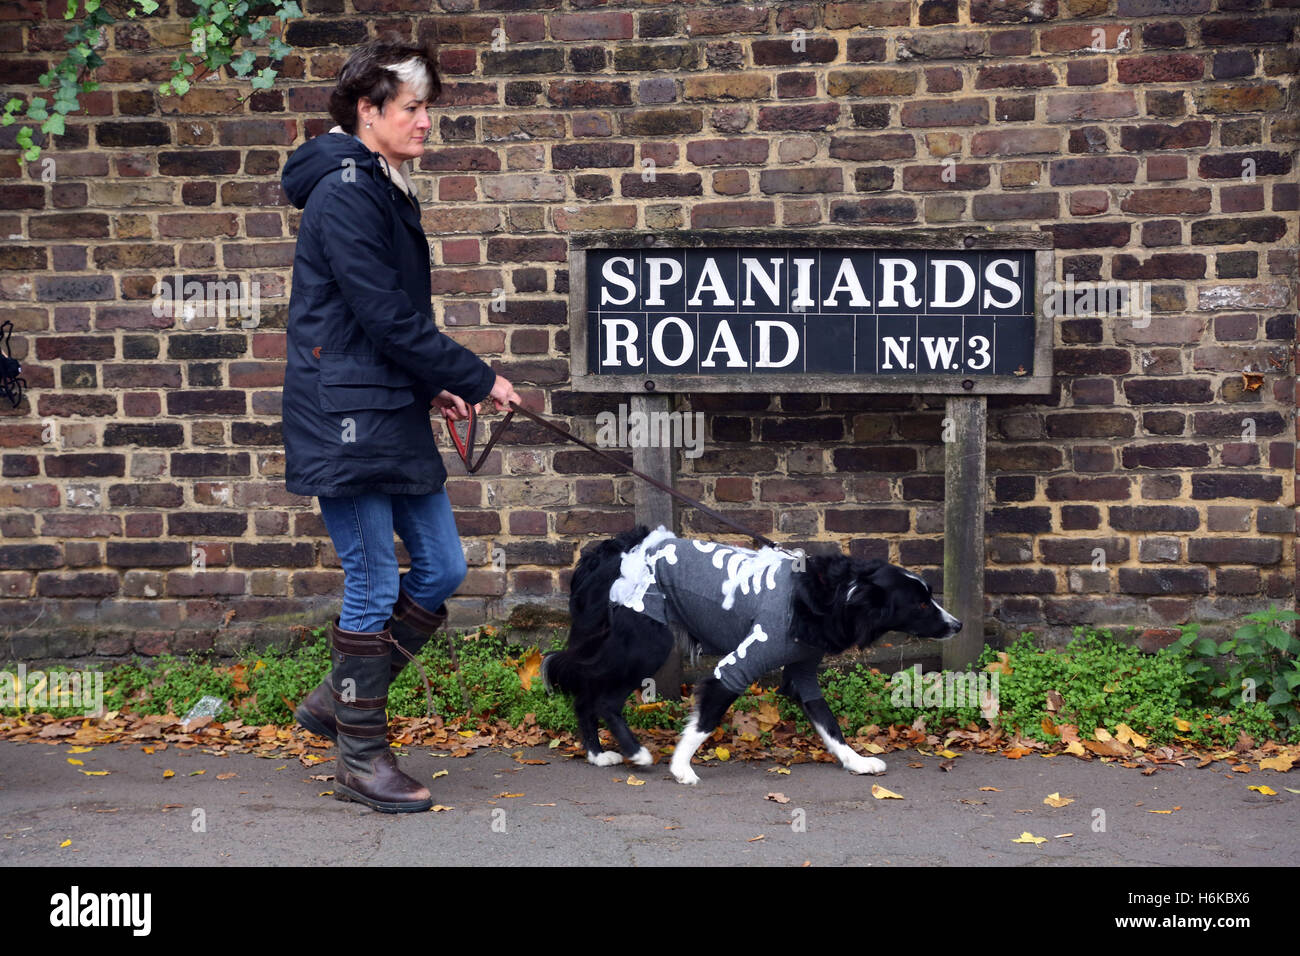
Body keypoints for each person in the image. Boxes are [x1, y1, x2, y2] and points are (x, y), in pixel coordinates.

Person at [279, 39, 522, 813]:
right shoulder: (346, 192)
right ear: (368, 110)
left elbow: (380, 320)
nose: (425, 122)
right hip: (341, 417)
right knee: (375, 580)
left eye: (427, 108)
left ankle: (334, 701)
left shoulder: (380, 184)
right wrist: (475, 378)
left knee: (443, 567)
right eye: (412, 108)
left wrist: (435, 388)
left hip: (386, 409)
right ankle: (360, 755)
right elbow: (384, 315)